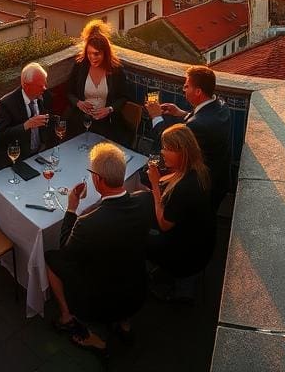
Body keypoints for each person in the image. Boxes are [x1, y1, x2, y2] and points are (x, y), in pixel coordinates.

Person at [45, 142, 152, 352]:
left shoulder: (87, 223)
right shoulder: (145, 200)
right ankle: (124, 324)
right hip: (137, 290)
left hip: (99, 303)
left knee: (51, 258)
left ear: (97, 179)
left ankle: (71, 319)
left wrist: (72, 209)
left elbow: (65, 251)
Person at [146, 65, 231, 210]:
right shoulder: (222, 106)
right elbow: (204, 118)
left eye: (186, 86)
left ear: (198, 91)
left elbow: (169, 144)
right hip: (222, 177)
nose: (183, 89)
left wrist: (156, 117)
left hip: (203, 185)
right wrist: (181, 114)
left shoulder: (196, 126)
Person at [145, 124, 215, 280]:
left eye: (168, 149)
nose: (162, 152)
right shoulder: (200, 170)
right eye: (163, 147)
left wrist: (155, 185)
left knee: (136, 234)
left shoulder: (184, 188)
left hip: (184, 257)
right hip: (201, 245)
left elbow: (164, 224)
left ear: (183, 152)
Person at [66, 20, 134, 148]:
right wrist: (78, 103)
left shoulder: (115, 70)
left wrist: (109, 109)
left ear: (105, 53)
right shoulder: (80, 67)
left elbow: (124, 97)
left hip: (107, 123)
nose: (92, 58)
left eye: (96, 54)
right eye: (89, 53)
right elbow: (69, 92)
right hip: (81, 120)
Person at [0, 62, 54, 173]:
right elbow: (0, 138)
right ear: (26, 85)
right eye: (40, 86)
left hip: (40, 154)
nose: (44, 88)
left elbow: (50, 124)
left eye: (45, 84)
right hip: (17, 159)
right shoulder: (7, 103)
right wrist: (26, 125)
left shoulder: (44, 96)